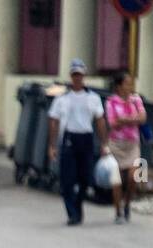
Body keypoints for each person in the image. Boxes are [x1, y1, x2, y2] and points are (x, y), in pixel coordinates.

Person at [47, 59, 107, 226]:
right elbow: (53, 120)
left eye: (80, 75)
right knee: (67, 179)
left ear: (84, 76)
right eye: (74, 75)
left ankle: (78, 205)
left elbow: (100, 120)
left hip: (86, 138)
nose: (77, 78)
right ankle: (72, 212)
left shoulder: (93, 98)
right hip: (68, 138)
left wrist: (104, 143)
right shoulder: (62, 98)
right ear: (71, 76)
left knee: (85, 178)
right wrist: (52, 145)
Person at [105, 70, 146, 223]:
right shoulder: (111, 101)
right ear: (119, 86)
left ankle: (127, 202)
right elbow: (113, 122)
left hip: (132, 145)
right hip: (115, 145)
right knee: (116, 180)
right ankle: (118, 212)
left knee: (133, 177)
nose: (130, 86)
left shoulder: (136, 99)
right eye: (127, 83)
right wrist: (131, 120)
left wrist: (124, 119)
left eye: (131, 83)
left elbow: (142, 118)